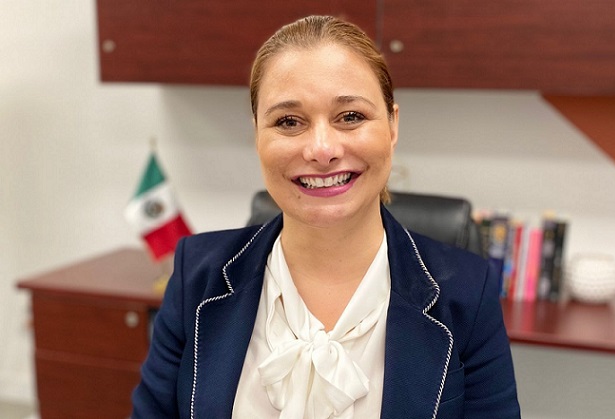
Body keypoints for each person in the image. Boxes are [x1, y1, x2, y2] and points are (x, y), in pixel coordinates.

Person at [132, 15, 521, 419]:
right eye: (288, 122)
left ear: (392, 126)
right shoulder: (196, 277)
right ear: (257, 135)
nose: (322, 150)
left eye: (350, 116)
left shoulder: (468, 294)